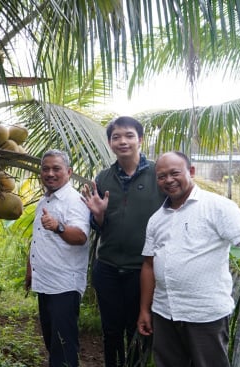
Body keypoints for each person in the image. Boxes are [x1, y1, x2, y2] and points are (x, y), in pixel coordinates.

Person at [137, 151, 240, 366]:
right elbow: (148, 265)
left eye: (175, 173)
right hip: (165, 313)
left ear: (191, 172)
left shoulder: (217, 206)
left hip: (205, 315)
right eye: (162, 176)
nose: (168, 180)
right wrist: (145, 310)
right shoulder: (156, 219)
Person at [81, 116, 166, 366]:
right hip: (107, 267)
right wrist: (97, 215)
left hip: (143, 269)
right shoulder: (104, 178)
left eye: (129, 136)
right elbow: (98, 225)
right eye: (116, 137)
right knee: (110, 330)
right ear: (110, 142)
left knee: (138, 330)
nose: (123, 141)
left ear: (140, 139)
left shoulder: (157, 175)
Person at [25, 150, 91, 367]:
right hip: (45, 283)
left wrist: (58, 226)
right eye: (46, 169)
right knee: (52, 343)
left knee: (63, 346)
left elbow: (81, 236)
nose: (50, 173)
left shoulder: (74, 200)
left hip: (64, 286)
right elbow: (39, 238)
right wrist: (30, 269)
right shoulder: (46, 199)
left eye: (56, 169)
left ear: (69, 172)